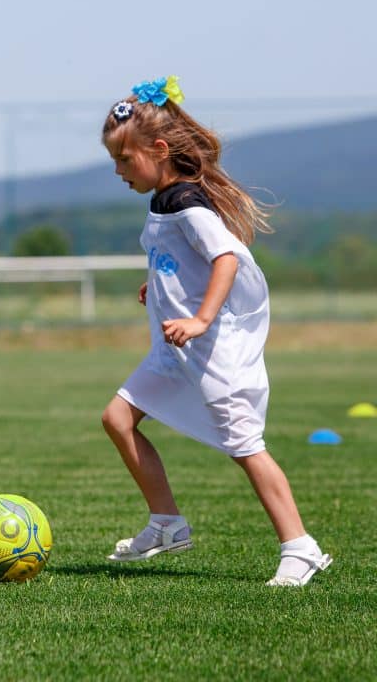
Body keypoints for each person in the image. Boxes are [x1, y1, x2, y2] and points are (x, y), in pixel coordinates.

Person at [100, 76, 332, 586]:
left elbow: (224, 258)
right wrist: (157, 286)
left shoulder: (186, 201)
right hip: (172, 351)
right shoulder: (162, 200)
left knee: (246, 446)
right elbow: (180, 260)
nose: (118, 170)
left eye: (124, 159)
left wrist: (200, 318)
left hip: (207, 351)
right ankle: (167, 523)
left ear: (159, 150)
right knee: (117, 418)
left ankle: (300, 546)